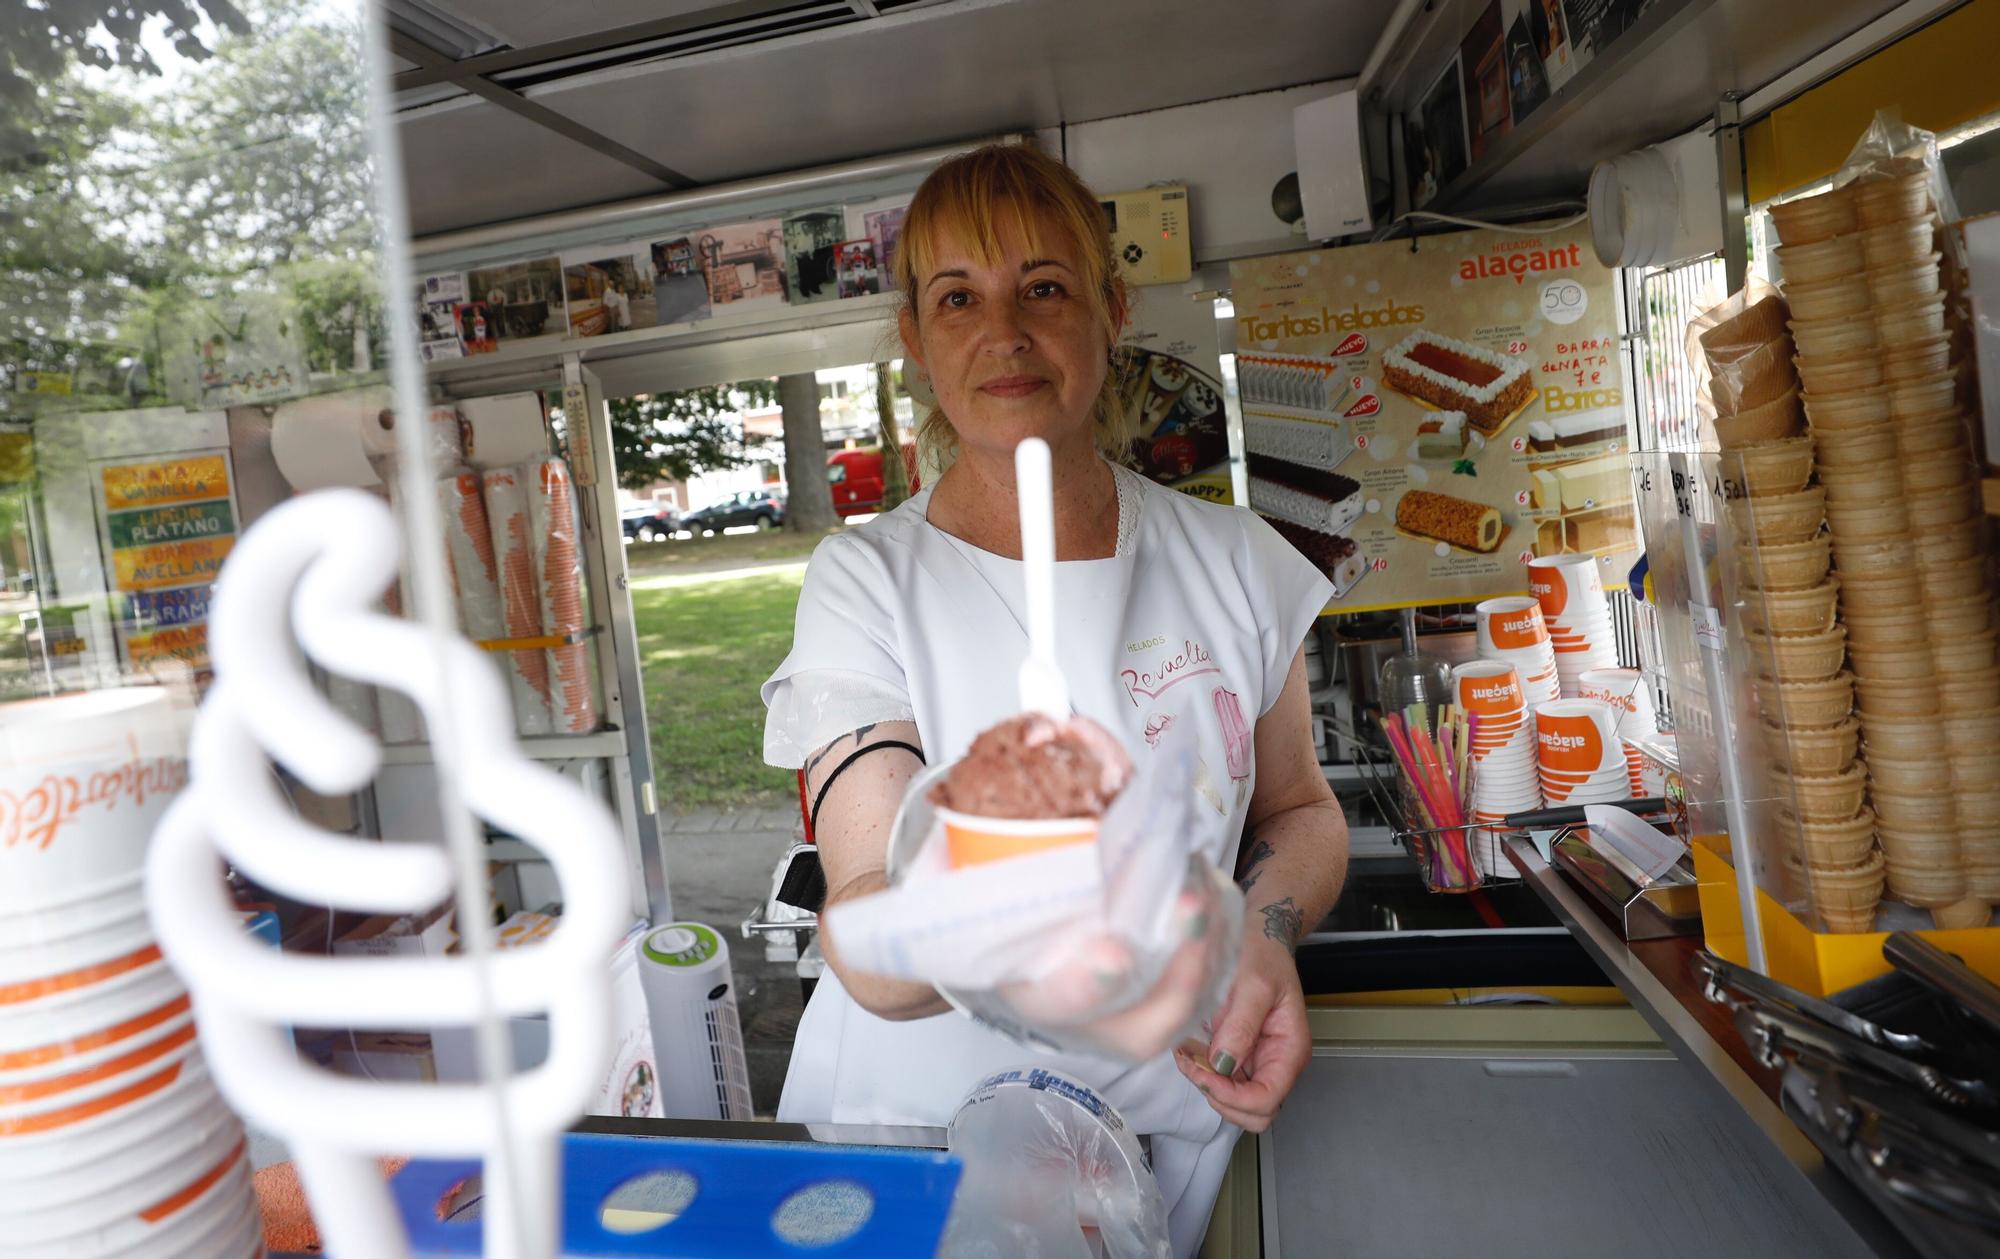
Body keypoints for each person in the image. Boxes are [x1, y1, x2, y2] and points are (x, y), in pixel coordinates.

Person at [761, 144, 1348, 1257]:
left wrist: (1262, 939)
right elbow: (866, 925)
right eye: (956, 297)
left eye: (1042, 285)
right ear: (916, 341)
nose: (1005, 329)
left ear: (1109, 308)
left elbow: (1298, 811)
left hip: (1162, 1140)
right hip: (916, 1161)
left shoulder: (1238, 562)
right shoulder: (867, 581)